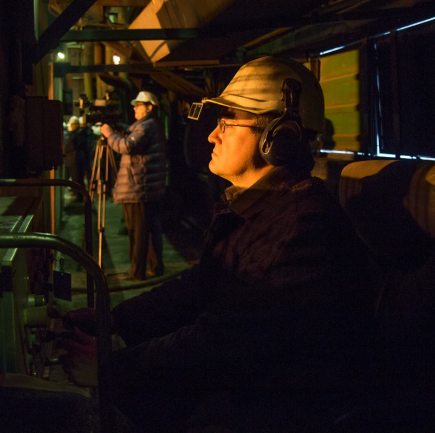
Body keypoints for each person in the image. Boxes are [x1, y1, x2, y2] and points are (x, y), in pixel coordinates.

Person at [58, 57, 379, 432]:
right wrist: (115, 319)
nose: (212, 135)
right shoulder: (257, 208)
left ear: (280, 138)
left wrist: (111, 367)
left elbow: (223, 343)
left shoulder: (302, 226)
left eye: (227, 123)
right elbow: (203, 283)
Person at [100, 91, 167, 281]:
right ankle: (155, 267)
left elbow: (127, 146)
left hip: (138, 188)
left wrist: (109, 134)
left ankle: (137, 272)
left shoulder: (146, 126)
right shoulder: (150, 125)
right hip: (146, 188)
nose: (135, 108)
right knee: (150, 230)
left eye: (139, 105)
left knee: (137, 232)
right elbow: (133, 137)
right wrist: (120, 129)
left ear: (149, 107)